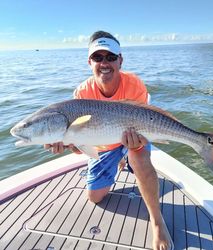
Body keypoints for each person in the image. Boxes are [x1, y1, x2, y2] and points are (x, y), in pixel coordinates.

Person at [45, 31, 172, 250]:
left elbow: (143, 125)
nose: (104, 63)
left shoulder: (134, 84)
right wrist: (68, 144)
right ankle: (121, 162)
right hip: (103, 147)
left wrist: (135, 145)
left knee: (139, 156)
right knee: (94, 197)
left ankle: (157, 221)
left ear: (120, 60)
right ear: (89, 62)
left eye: (111, 57)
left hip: (134, 137)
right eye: (98, 57)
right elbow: (81, 147)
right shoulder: (82, 94)